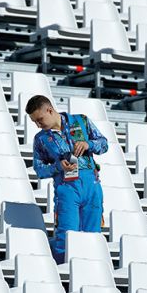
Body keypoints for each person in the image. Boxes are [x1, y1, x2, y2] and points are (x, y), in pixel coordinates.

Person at [26, 95, 108, 264]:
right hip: (67, 190)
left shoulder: (81, 121)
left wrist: (88, 145)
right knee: (66, 238)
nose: (38, 125)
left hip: (92, 186)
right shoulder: (41, 139)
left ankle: (92, 277)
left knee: (93, 237)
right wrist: (58, 166)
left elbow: (104, 143)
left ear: (49, 110)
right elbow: (39, 170)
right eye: (34, 122)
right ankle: (61, 282)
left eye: (39, 119)